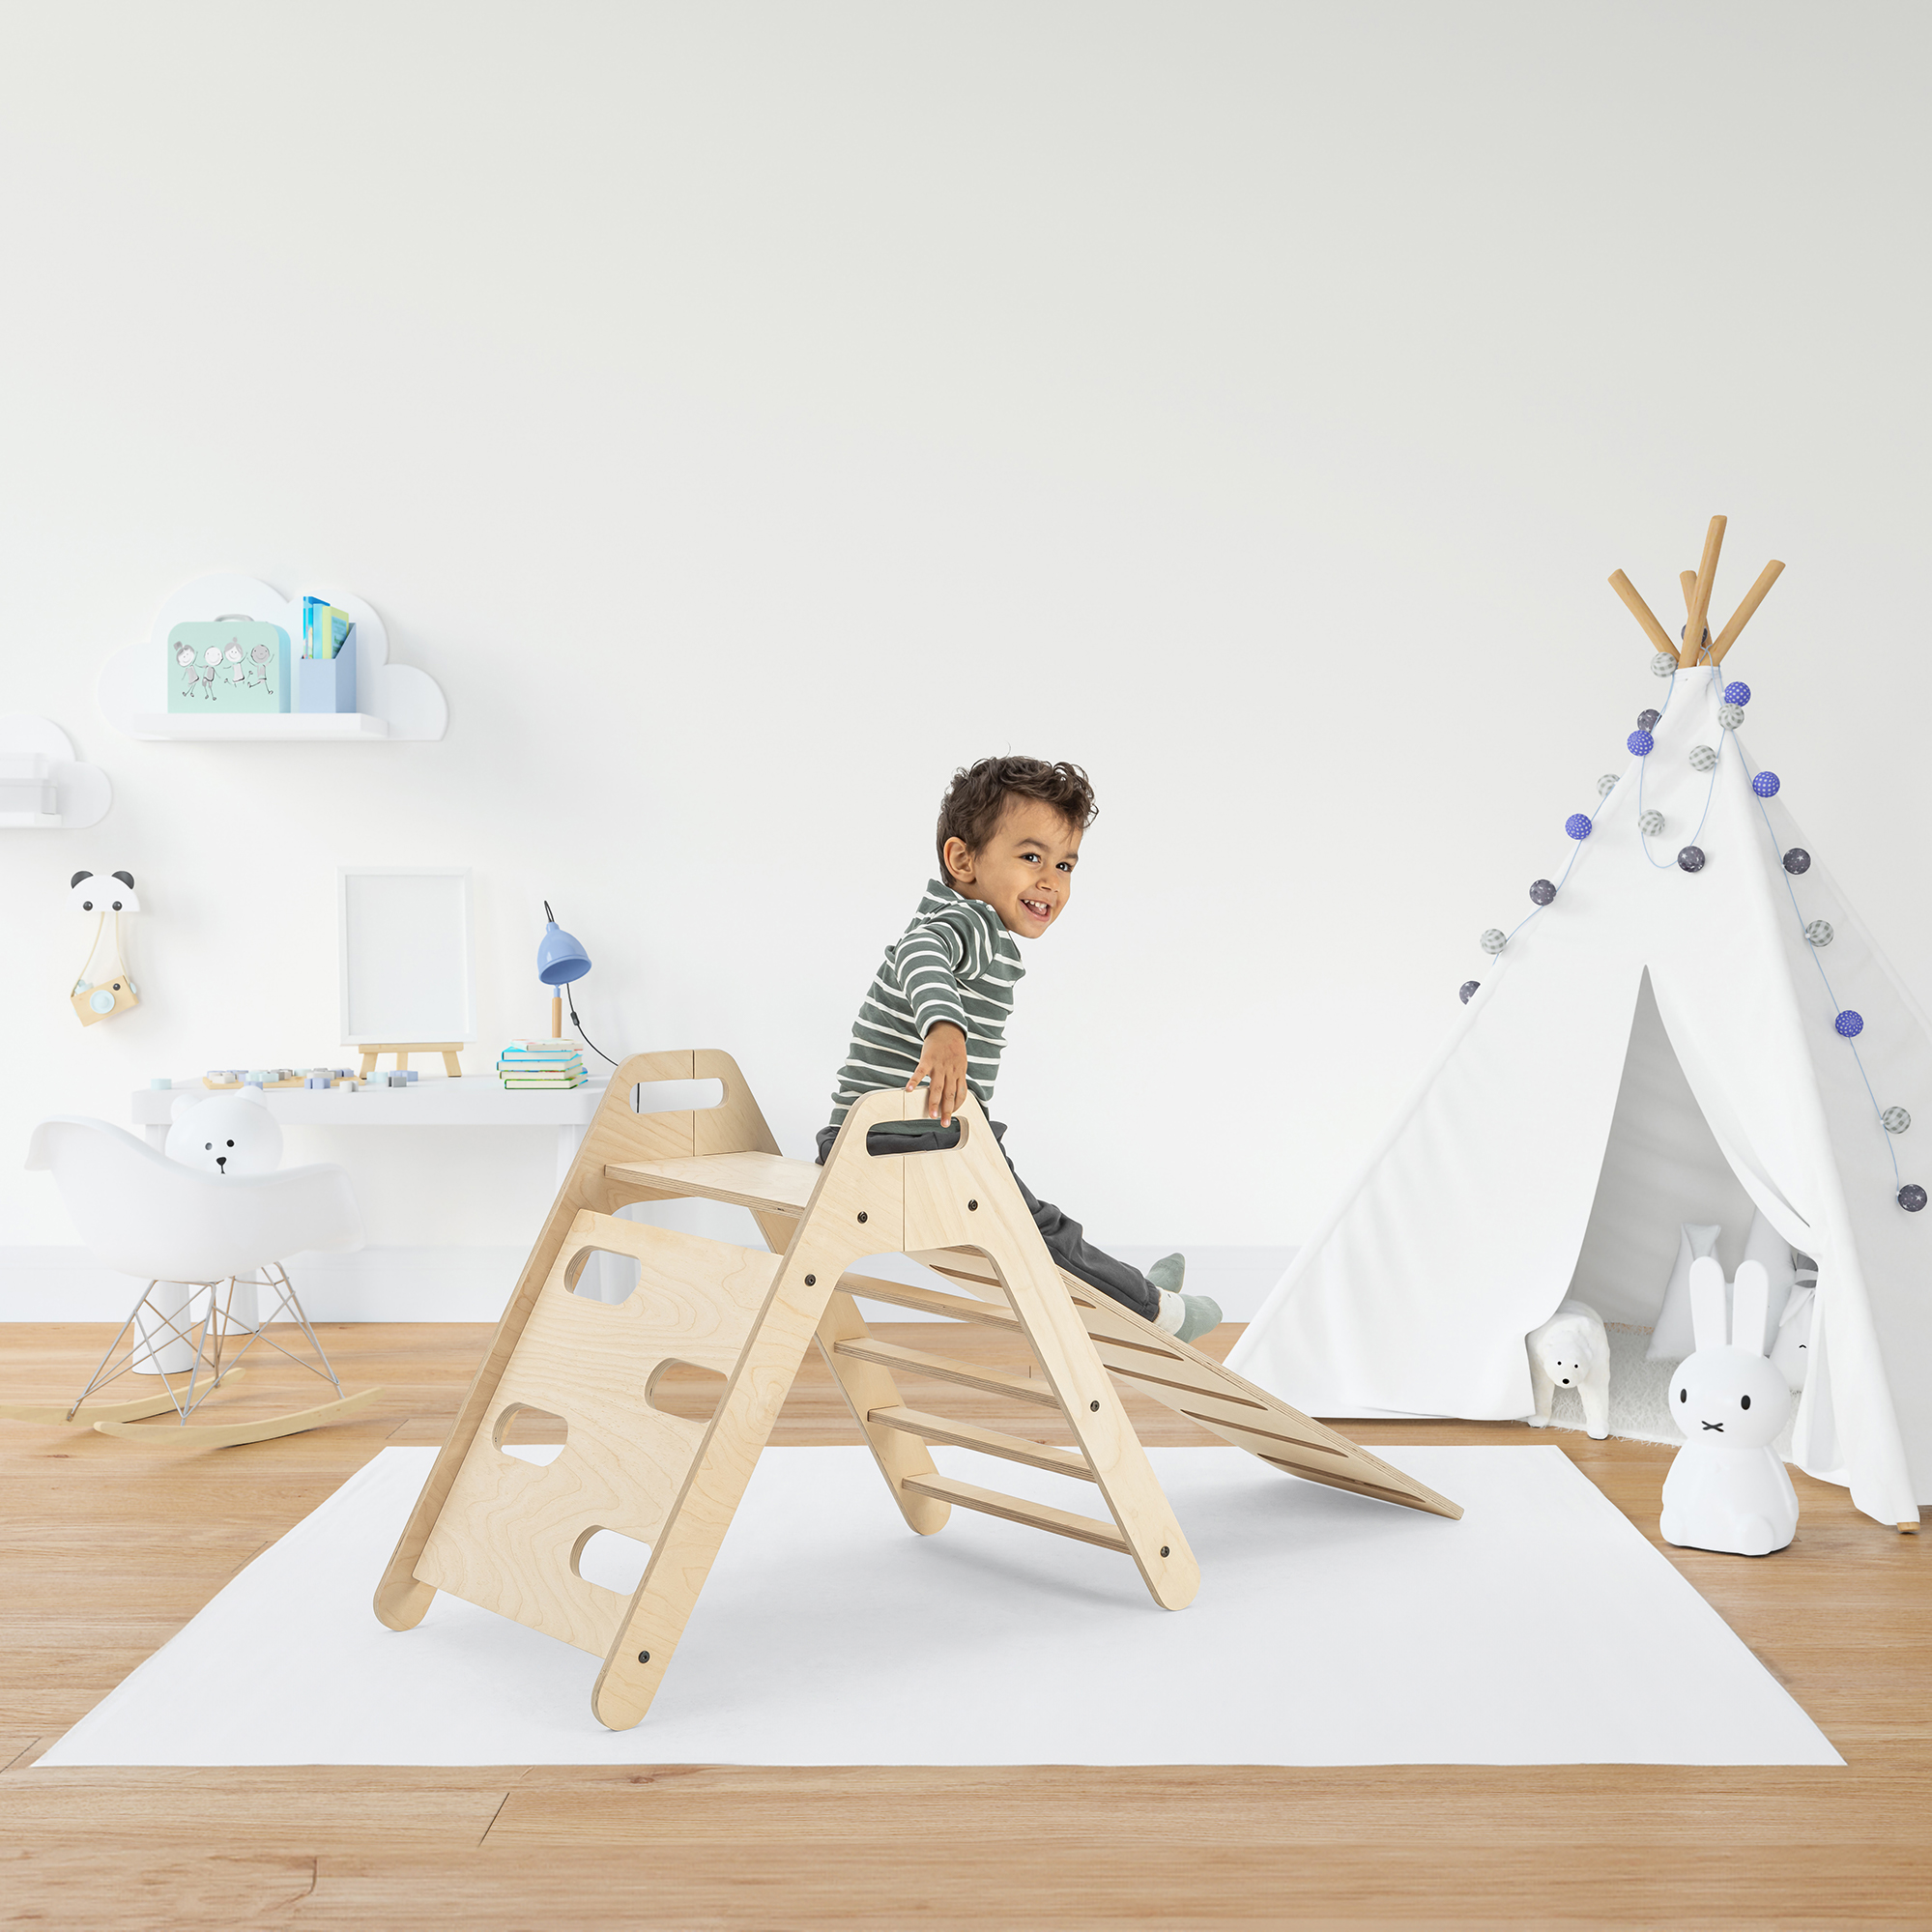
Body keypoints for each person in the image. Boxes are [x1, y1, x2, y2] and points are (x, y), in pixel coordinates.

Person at [817, 755, 1221, 1341]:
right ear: (963, 861)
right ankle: (1157, 1311)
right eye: (1031, 857)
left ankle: (1131, 1288)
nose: (1050, 880)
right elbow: (920, 956)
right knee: (1038, 1234)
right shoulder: (968, 924)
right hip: (913, 1144)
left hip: (876, 1140)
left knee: (1039, 1229)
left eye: (1064, 864)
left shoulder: (964, 922)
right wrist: (944, 1028)